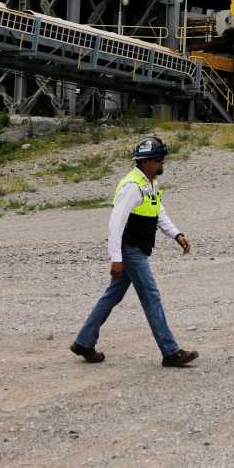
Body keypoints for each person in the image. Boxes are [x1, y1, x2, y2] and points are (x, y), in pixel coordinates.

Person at [70, 135, 199, 367]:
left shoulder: (150, 183)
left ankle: (84, 342)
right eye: (158, 159)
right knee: (151, 296)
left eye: (162, 158)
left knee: (112, 296)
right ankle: (170, 351)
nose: (162, 163)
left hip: (136, 249)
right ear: (145, 161)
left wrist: (177, 235)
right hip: (130, 250)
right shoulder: (132, 186)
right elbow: (116, 224)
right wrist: (116, 258)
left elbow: (158, 212)